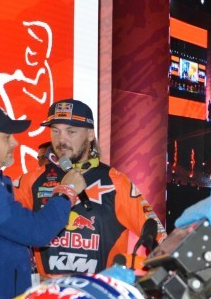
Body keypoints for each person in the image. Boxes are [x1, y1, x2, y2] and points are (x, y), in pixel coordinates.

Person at [0, 102, 86, 299]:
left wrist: (29, 280)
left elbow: (1, 244)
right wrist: (66, 191)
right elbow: (37, 232)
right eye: (7, 137)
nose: (15, 143)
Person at [15, 98, 165, 277]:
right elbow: (2, 224)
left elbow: (159, 238)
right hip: (49, 292)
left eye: (71, 131)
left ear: (90, 134)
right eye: (55, 131)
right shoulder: (32, 181)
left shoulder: (116, 182)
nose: (61, 140)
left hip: (99, 291)